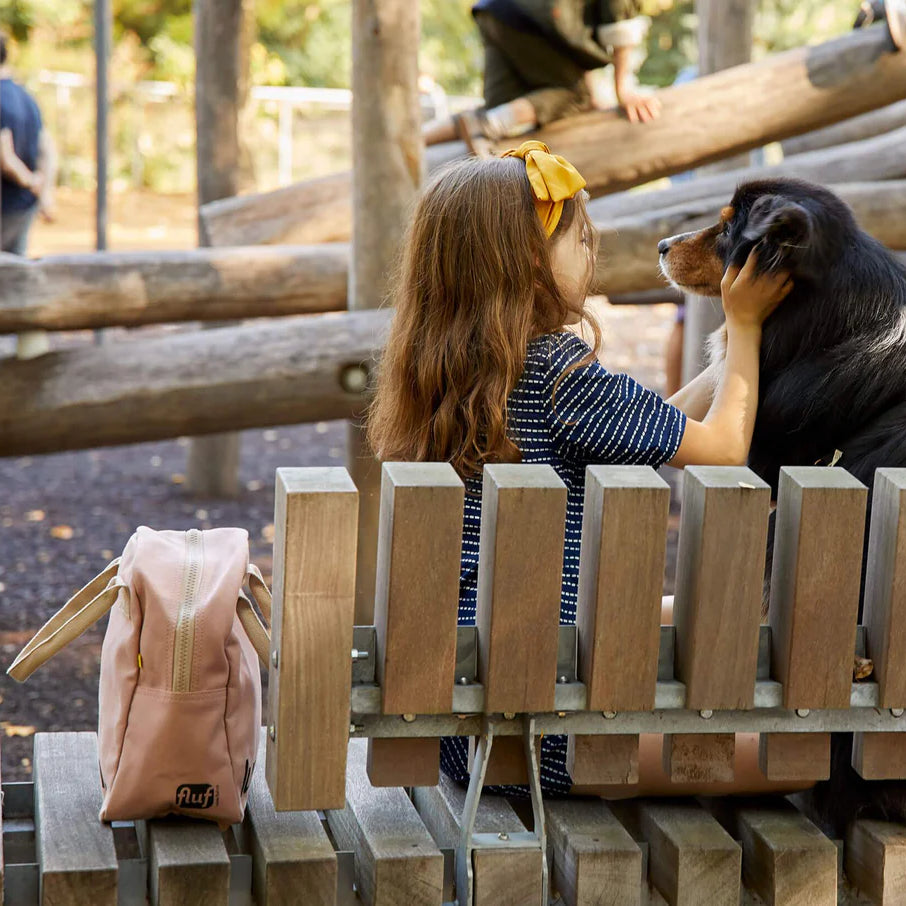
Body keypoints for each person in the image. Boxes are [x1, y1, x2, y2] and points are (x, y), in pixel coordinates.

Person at [368, 140, 798, 798]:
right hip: (555, 734)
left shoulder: (446, 372)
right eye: (580, 238)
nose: (592, 250)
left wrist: (718, 375)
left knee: (706, 616)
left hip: (460, 723)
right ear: (524, 260)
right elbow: (724, 450)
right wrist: (741, 324)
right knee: (801, 752)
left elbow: (657, 424)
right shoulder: (556, 370)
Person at [424, 0, 661, 153]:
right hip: (536, 18)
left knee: (501, 108)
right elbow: (620, 19)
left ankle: (414, 139)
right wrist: (623, 89)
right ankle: (488, 124)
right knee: (577, 97)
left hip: (495, 12)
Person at [1, 33, 57, 358]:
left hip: (7, 202)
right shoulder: (26, 97)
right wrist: (43, 191)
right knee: (18, 273)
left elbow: (4, 154)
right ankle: (31, 351)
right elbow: (49, 149)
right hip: (23, 208)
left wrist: (28, 181)